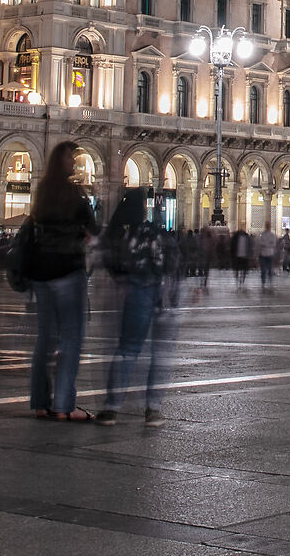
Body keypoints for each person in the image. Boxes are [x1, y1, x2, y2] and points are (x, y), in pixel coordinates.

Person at [20, 148, 101, 421]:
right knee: (71, 338)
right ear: (63, 162)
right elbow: (93, 228)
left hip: (41, 273)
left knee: (45, 339)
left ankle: (40, 402)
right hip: (67, 269)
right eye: (72, 159)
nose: (75, 163)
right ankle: (64, 405)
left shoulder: (42, 193)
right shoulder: (74, 194)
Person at [99, 193, 174, 424]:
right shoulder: (151, 230)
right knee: (159, 354)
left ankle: (112, 407)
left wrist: (121, 282)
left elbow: (111, 261)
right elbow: (170, 258)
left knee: (128, 349)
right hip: (159, 292)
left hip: (135, 292)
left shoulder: (120, 234)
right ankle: (153, 409)